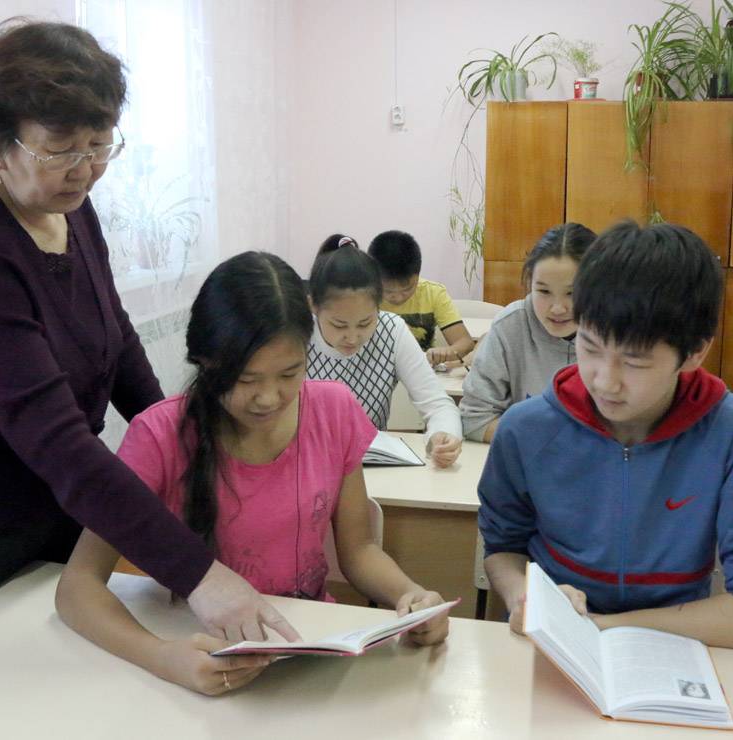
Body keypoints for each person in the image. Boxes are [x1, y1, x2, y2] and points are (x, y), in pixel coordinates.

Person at [0, 19, 294, 666]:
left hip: (47, 498)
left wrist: (179, 439)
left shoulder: (66, 204)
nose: (85, 169)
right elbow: (58, 442)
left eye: (99, 145)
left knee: (67, 675)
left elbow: (116, 339)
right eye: (60, 148)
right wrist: (200, 575)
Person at [55, 252, 450, 695]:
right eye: (245, 379)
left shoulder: (334, 410)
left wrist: (410, 596)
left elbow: (358, 550)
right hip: (196, 651)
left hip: (300, 651)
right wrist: (162, 657)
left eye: (289, 373)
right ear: (205, 361)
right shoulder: (158, 435)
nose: (269, 398)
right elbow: (77, 588)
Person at [479, 221, 733, 655]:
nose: (605, 381)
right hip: (553, 647)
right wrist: (525, 596)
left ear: (695, 352)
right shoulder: (526, 428)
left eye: (634, 362)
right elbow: (503, 548)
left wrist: (603, 628)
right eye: (590, 347)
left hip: (675, 648)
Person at [305, 236, 463, 468]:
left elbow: (438, 404)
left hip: (372, 466)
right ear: (313, 306)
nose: (352, 337)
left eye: (365, 323)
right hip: (306, 465)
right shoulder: (298, 334)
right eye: (339, 325)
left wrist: (442, 435)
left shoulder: (391, 330)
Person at [459, 223, 596, 442]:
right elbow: (474, 419)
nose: (557, 308)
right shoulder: (511, 325)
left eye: (572, 293)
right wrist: (548, 443)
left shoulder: (619, 331)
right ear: (529, 283)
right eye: (544, 291)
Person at [367, 229, 476, 365]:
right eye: (388, 292)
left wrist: (447, 352)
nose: (398, 298)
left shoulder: (433, 293)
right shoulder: (362, 296)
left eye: (407, 289)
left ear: (418, 275)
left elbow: (465, 342)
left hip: (423, 369)